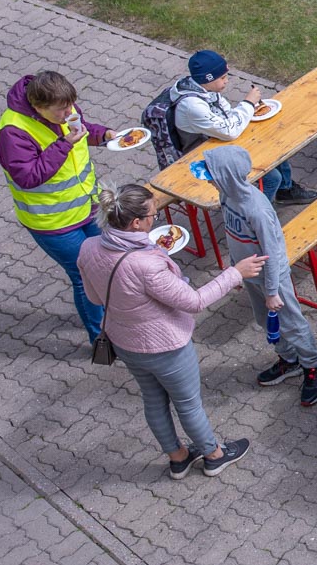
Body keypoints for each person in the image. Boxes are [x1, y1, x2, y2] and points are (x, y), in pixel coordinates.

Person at [77, 184, 261, 478]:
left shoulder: (88, 248)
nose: (156, 219)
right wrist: (235, 273)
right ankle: (214, 455)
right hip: (166, 348)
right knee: (188, 405)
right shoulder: (146, 265)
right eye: (153, 214)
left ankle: (178, 458)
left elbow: (95, 299)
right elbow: (195, 301)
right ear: (136, 223)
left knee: (153, 400)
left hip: (124, 342)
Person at [0, 71, 114, 343]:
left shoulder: (63, 106)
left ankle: (111, 317)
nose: (69, 112)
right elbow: (28, 177)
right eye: (62, 110)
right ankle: (102, 339)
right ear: (38, 107)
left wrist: (104, 135)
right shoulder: (13, 133)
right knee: (85, 276)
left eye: (71, 105)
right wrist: (64, 146)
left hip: (88, 207)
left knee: (104, 264)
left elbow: (82, 129)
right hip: (54, 223)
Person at [202, 146, 317, 406]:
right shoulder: (226, 197)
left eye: (211, 174)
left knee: (291, 323)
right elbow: (232, 235)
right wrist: (235, 269)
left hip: (272, 277)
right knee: (265, 321)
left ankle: (313, 367)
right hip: (250, 274)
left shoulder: (256, 209)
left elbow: (270, 252)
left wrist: (272, 292)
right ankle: (289, 360)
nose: (207, 179)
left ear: (226, 176)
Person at [171, 50, 317, 206]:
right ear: (206, 79)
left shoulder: (205, 90)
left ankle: (285, 190)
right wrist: (248, 104)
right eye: (222, 78)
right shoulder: (192, 105)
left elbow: (227, 114)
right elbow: (229, 132)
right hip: (204, 155)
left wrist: (247, 111)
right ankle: (254, 216)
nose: (226, 81)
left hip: (219, 142)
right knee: (272, 178)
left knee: (273, 143)